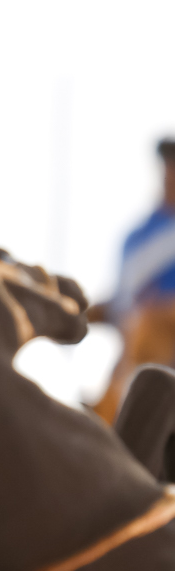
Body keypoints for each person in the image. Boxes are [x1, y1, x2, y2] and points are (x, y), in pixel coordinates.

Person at [93, 138, 175, 423]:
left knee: (147, 328)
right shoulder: (136, 237)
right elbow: (121, 301)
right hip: (133, 342)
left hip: (159, 337)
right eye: (168, 165)